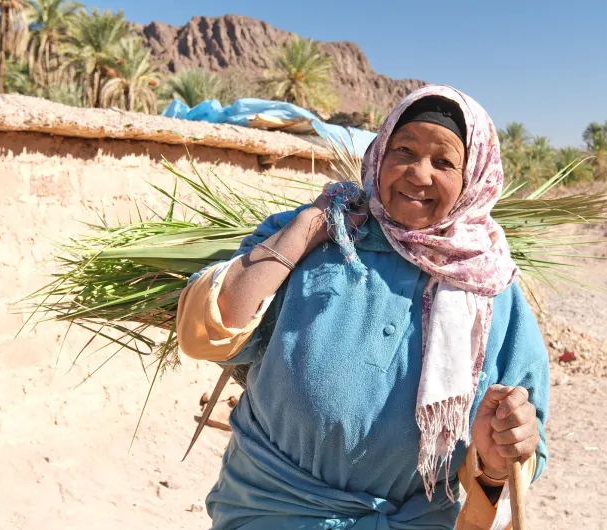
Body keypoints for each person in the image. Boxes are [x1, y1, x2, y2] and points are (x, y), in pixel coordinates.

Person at [175, 84, 550, 530]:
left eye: (444, 161)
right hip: (268, 507)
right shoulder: (320, 234)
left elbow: (515, 458)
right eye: (404, 150)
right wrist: (306, 228)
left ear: (473, 180)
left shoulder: (490, 288)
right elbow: (209, 333)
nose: (419, 173)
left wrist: (500, 454)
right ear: (378, 154)